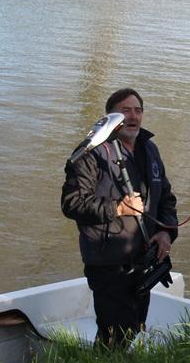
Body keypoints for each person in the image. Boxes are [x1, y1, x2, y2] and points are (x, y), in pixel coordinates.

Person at [62, 88, 178, 347]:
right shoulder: (91, 152)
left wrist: (166, 233)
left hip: (144, 258)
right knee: (113, 335)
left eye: (138, 110)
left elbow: (166, 197)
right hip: (107, 260)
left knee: (135, 327)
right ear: (110, 116)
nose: (133, 116)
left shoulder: (149, 148)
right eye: (126, 110)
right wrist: (117, 209)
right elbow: (72, 204)